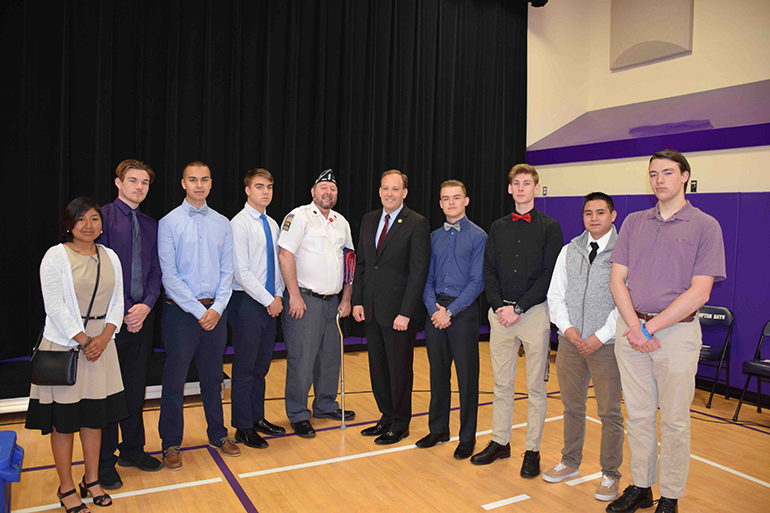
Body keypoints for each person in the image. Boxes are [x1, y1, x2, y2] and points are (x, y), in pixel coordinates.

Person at [607, 150, 725, 513]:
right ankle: (641, 486)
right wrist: (635, 327)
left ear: (685, 176)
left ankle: (670, 495)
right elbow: (617, 280)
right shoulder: (633, 222)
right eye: (654, 173)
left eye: (668, 173)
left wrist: (650, 327)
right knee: (638, 416)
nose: (659, 180)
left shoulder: (705, 225)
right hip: (632, 332)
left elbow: (700, 292)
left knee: (674, 420)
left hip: (675, 336)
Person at [27, 197, 128, 513]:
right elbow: (55, 306)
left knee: (94, 419)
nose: (88, 225)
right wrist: (86, 340)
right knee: (64, 423)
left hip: (101, 348)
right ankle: (67, 487)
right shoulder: (55, 257)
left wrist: (106, 336)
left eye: (95, 219)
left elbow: (118, 301)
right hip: (66, 349)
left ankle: (92, 479)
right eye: (81, 219)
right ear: (68, 224)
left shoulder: (110, 256)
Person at [472, 163, 563, 478]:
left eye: (527, 183)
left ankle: (533, 450)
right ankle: (500, 441)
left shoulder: (550, 227)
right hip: (500, 316)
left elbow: (547, 276)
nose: (522, 188)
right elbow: (489, 271)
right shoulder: (498, 227)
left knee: (536, 388)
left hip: (533, 314)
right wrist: (499, 306)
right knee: (501, 384)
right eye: (516, 183)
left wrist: (519, 308)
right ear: (509, 189)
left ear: (536, 188)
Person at [157, 161, 238, 470]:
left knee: (213, 378)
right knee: (174, 381)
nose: (199, 185)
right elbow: (170, 275)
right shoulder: (169, 222)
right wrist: (198, 310)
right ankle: (170, 444)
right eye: (193, 180)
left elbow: (227, 271)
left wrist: (216, 308)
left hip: (215, 313)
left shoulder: (222, 222)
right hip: (181, 314)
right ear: (183, 184)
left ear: (211, 183)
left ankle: (218, 434)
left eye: (204, 179)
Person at [544, 192, 624, 501]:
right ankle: (570, 461)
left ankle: (610, 474)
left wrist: (600, 335)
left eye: (600, 212)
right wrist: (568, 329)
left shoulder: (623, 252)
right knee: (572, 407)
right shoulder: (569, 251)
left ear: (612, 216)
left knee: (610, 412)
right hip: (569, 342)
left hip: (605, 346)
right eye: (588, 213)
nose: (594, 218)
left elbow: (625, 301)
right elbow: (556, 295)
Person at [352, 170, 431, 445]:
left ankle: (400, 422)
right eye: (385, 188)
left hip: (398, 313)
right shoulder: (369, 219)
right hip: (371, 310)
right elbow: (363, 264)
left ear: (404, 193)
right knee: (378, 368)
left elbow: (418, 273)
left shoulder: (417, 223)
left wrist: (406, 312)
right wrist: (358, 300)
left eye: (395, 189)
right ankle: (385, 416)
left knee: (399, 370)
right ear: (379, 190)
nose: (389, 193)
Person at [98, 159, 163, 489]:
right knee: (109, 392)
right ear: (118, 182)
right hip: (111, 322)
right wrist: (126, 311)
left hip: (142, 318)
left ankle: (133, 449)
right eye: (133, 181)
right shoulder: (103, 219)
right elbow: (101, 270)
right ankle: (104, 462)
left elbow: (155, 271)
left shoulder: (151, 224)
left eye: (145, 183)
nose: (139, 187)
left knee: (136, 389)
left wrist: (145, 307)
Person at [277, 169, 356, 438]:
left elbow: (349, 263)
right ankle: (298, 414)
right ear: (313, 191)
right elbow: (285, 254)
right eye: (323, 187)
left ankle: (324, 404)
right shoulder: (298, 216)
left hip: (332, 302)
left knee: (330, 358)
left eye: (332, 189)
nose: (328, 193)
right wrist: (294, 295)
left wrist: (346, 298)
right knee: (303, 359)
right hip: (305, 300)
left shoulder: (341, 222)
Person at [417, 180, 487, 459]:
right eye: (445, 198)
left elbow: (477, 281)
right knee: (438, 375)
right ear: (440, 203)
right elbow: (427, 277)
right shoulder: (433, 237)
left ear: (466, 201)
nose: (451, 203)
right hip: (435, 312)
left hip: (462, 313)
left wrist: (450, 311)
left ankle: (467, 437)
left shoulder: (479, 236)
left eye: (456, 198)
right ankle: (438, 429)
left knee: (467, 378)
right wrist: (434, 308)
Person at [229, 168, 286, 448]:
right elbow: (241, 272)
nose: (266, 192)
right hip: (247, 303)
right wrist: (269, 300)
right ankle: (242, 426)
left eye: (270, 187)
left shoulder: (273, 224)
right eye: (260, 187)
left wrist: (278, 296)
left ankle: (256, 417)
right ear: (248, 190)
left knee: (261, 366)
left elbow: (275, 268)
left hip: (269, 303)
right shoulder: (238, 224)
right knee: (245, 367)